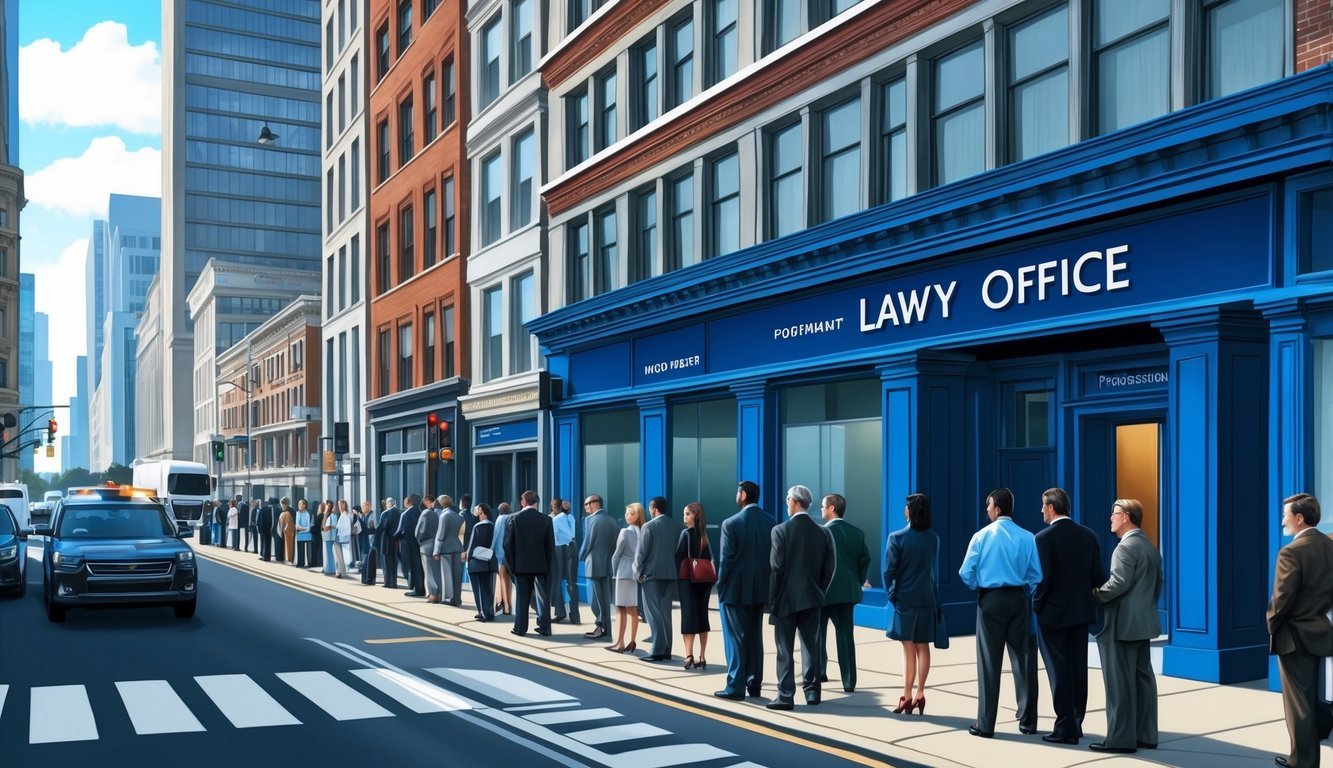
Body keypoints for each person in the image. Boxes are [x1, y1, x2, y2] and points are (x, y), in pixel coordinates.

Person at [959, 487, 1042, 738]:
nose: (986, 510)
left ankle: (985, 725)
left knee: (989, 663)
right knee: (1024, 660)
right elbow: (1036, 575)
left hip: (990, 600)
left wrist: (981, 588)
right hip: (1018, 599)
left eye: (988, 506)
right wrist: (1023, 591)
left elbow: (965, 573)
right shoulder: (1028, 537)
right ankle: (1028, 722)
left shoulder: (981, 536)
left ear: (996, 509)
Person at [1090, 498, 1163, 754]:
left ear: (1127, 516)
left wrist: (1095, 594)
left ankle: (1120, 740)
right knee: (1143, 680)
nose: (1111, 517)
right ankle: (1146, 735)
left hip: (1121, 625)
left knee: (1119, 684)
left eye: (1115, 513)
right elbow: (1158, 585)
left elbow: (1118, 583)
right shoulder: (1149, 546)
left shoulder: (1124, 548)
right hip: (1143, 624)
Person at [1033, 487, 1103, 745]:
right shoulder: (1090, 536)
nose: (1041, 510)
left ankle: (1065, 728)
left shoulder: (1043, 538)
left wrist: (1037, 605)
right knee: (1077, 669)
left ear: (1051, 507)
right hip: (1082, 613)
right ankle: (1075, 721)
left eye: (1043, 506)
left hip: (1053, 614)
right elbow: (1098, 576)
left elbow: (1044, 578)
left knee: (1058, 670)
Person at [1268, 492, 1333, 768]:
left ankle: (1303, 762)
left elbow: (1281, 600)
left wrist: (1270, 623)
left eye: (1285, 516)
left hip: (1294, 637)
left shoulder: (1291, 552)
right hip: (1321, 632)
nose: (1283, 521)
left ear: (1299, 518)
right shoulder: (1329, 546)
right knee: (1313, 699)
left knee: (1299, 706)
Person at [765, 485, 835, 710]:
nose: (786, 503)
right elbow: (829, 568)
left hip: (785, 598)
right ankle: (812, 692)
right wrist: (819, 590)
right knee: (811, 645)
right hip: (812, 598)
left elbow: (776, 568)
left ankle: (785, 695)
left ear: (795, 502)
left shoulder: (780, 531)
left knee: (784, 649)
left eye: (787, 500)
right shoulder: (823, 532)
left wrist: (773, 601)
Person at [714, 480, 777, 702]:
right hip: (759, 589)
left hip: (734, 589)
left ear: (742, 495)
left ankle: (735, 686)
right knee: (754, 637)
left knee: (735, 639)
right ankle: (754, 682)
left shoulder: (730, 523)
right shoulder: (770, 522)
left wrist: (720, 586)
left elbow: (726, 560)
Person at [884, 493, 941, 714]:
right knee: (922, 645)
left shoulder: (896, 537)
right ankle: (920, 693)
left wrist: (891, 593)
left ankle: (906, 696)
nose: (904, 510)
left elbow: (888, 571)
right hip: (926, 597)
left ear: (911, 511)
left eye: (907, 507)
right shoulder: (933, 538)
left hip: (904, 598)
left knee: (908, 647)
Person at [820, 492, 870, 694]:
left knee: (816, 635)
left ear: (832, 508)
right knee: (846, 637)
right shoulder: (857, 533)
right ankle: (849, 681)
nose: (821, 509)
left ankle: (819, 672)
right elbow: (864, 560)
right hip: (848, 593)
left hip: (824, 593)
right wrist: (856, 582)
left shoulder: (822, 533)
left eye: (823, 506)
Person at [636, 496, 685, 661]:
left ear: (654, 508)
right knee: (665, 614)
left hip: (651, 575)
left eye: (650, 508)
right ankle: (666, 650)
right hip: (670, 574)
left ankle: (657, 650)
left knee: (653, 613)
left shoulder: (648, 526)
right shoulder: (677, 527)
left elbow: (642, 553)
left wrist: (637, 573)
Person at [504, 490, 554, 637]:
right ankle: (545, 627)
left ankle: (520, 628)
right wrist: (548, 565)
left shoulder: (514, 518)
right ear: (536, 502)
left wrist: (511, 566)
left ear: (523, 501)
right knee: (543, 598)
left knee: (522, 598)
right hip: (541, 565)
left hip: (521, 566)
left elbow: (507, 544)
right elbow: (550, 546)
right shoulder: (546, 519)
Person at [675, 501, 715, 670]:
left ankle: (689, 655)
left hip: (688, 581)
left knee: (688, 618)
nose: (684, 517)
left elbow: (678, 557)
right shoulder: (705, 536)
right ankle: (702, 656)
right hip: (704, 582)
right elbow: (710, 558)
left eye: (688, 514)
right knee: (702, 618)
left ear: (696, 516)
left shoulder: (685, 534)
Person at [579, 494, 619, 640]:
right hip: (608, 563)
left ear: (595, 504)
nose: (585, 507)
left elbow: (588, 541)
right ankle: (606, 629)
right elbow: (615, 543)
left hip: (593, 563)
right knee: (605, 598)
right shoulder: (612, 520)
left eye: (587, 504)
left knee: (595, 599)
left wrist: (580, 556)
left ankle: (600, 627)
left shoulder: (591, 520)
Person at [609, 503, 644, 652]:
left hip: (623, 572)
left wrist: (613, 571)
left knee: (620, 608)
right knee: (632, 607)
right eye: (626, 513)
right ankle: (632, 641)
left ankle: (619, 643)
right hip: (635, 574)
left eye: (631, 513)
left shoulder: (625, 532)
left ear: (637, 516)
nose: (627, 516)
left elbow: (616, 555)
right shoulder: (643, 532)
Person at [550, 497, 580, 624]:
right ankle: (575, 615)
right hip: (572, 547)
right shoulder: (570, 517)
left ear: (555, 507)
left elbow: (553, 536)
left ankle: (560, 612)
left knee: (557, 580)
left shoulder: (555, 519)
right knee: (571, 582)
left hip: (559, 549)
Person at [465, 503, 498, 622]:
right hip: (490, 561)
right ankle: (489, 612)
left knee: (478, 589)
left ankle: (482, 612)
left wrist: (467, 558)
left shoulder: (478, 527)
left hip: (477, 563)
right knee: (488, 589)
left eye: (479, 511)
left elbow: (473, 545)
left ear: (482, 512)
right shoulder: (493, 526)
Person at [434, 495, 466, 607]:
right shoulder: (459, 517)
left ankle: (448, 598)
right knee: (457, 575)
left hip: (445, 549)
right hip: (457, 547)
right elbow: (461, 535)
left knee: (446, 574)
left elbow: (440, 535)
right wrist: (462, 550)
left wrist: (436, 551)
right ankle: (457, 598)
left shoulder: (443, 516)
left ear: (441, 503)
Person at [416, 493, 442, 602]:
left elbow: (418, 532)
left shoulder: (425, 514)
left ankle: (433, 594)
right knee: (436, 571)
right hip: (435, 544)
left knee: (429, 571)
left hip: (426, 545)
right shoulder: (436, 514)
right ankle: (438, 593)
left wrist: (420, 542)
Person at [398, 494, 424, 597]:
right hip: (420, 543)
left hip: (408, 544)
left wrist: (394, 538)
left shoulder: (405, 514)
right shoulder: (421, 512)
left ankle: (416, 589)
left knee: (412, 567)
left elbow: (401, 531)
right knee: (420, 567)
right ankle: (421, 587)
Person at [493, 503, 515, 614]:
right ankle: (509, 604)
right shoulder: (513, 517)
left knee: (502, 578)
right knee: (510, 580)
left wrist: (490, 550)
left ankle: (506, 606)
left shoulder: (500, 519)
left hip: (500, 553)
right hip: (511, 554)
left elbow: (496, 535)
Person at [379, 498, 401, 588]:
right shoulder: (399, 512)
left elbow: (382, 527)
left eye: (387, 503)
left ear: (389, 504)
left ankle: (388, 582)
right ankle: (394, 582)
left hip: (387, 541)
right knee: (394, 562)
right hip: (396, 541)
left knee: (387, 563)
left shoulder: (385, 513)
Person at [358, 500, 378, 584]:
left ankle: (370, 579)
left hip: (370, 540)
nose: (363, 507)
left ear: (369, 506)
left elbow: (374, 528)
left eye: (365, 505)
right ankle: (364, 578)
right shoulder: (362, 516)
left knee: (370, 560)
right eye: (362, 506)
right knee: (364, 559)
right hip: (364, 540)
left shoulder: (372, 515)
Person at [335, 499, 354, 578]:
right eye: (338, 505)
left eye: (340, 505)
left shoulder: (345, 515)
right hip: (341, 538)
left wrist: (336, 529)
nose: (339, 507)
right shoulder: (343, 514)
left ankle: (341, 572)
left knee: (341, 556)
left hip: (343, 538)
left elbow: (346, 528)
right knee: (341, 556)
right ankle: (341, 571)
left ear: (344, 505)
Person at [294, 499, 312, 568]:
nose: (299, 505)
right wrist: (302, 528)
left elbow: (308, 527)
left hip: (306, 534)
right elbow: (297, 525)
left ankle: (309, 563)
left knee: (308, 550)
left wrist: (302, 529)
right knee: (300, 549)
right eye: (298, 504)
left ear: (304, 505)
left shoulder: (307, 514)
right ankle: (300, 563)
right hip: (300, 535)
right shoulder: (297, 513)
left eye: (300, 504)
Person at [321, 501, 338, 575]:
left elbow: (325, 527)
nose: (326, 508)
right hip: (328, 536)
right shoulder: (330, 516)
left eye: (327, 506)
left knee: (329, 554)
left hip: (329, 537)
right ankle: (327, 568)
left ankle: (329, 569)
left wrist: (326, 527)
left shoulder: (331, 516)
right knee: (329, 553)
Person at [278, 498, 295, 564]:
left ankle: (289, 559)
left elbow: (292, 522)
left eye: (283, 505)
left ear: (287, 504)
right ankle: (285, 558)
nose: (282, 506)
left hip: (289, 531)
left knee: (289, 546)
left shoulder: (291, 511)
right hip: (283, 530)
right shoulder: (284, 510)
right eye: (282, 505)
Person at [309, 499, 324, 569]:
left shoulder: (320, 515)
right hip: (319, 534)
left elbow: (317, 525)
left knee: (315, 549)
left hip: (317, 534)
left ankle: (315, 563)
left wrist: (311, 530)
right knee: (319, 549)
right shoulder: (319, 514)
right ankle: (318, 562)